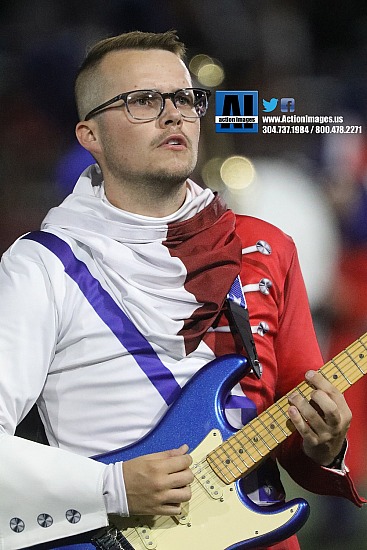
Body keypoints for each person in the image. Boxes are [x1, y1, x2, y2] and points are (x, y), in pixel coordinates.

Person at [0, 30, 364, 550]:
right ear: (90, 136)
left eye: (185, 99)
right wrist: (112, 487)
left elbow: (299, 437)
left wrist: (326, 445)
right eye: (143, 101)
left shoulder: (266, 246)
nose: (174, 115)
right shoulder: (40, 266)